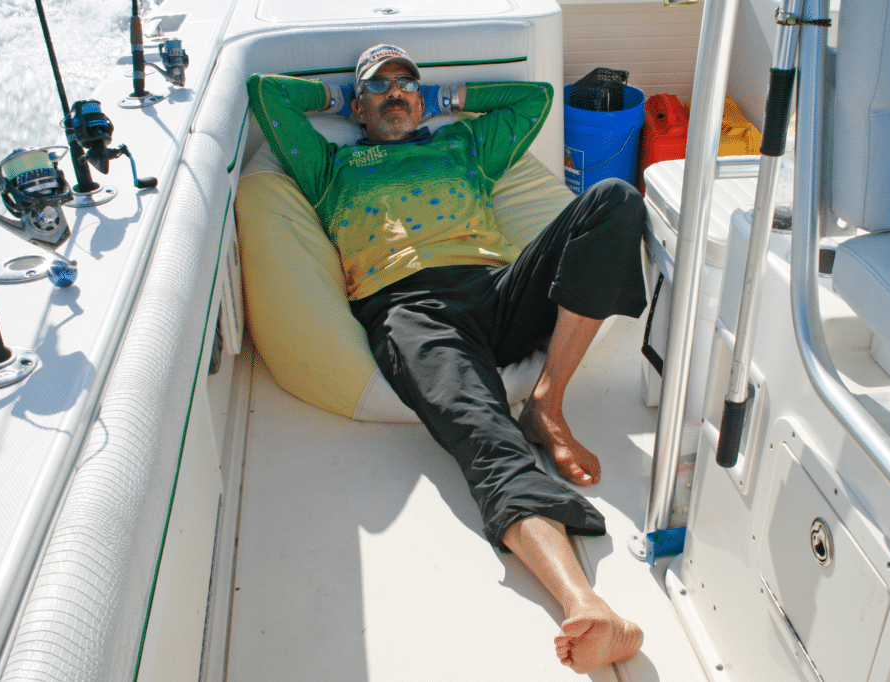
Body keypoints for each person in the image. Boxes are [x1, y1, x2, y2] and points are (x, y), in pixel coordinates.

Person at [248, 44, 647, 673]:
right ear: (358, 105)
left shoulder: (463, 148)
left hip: (495, 286)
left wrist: (445, 99)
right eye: (379, 86)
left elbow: (533, 99)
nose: (397, 92)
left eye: (408, 82)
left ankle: (548, 400)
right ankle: (587, 605)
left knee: (616, 199)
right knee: (484, 435)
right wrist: (335, 97)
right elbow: (266, 93)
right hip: (411, 309)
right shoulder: (332, 165)